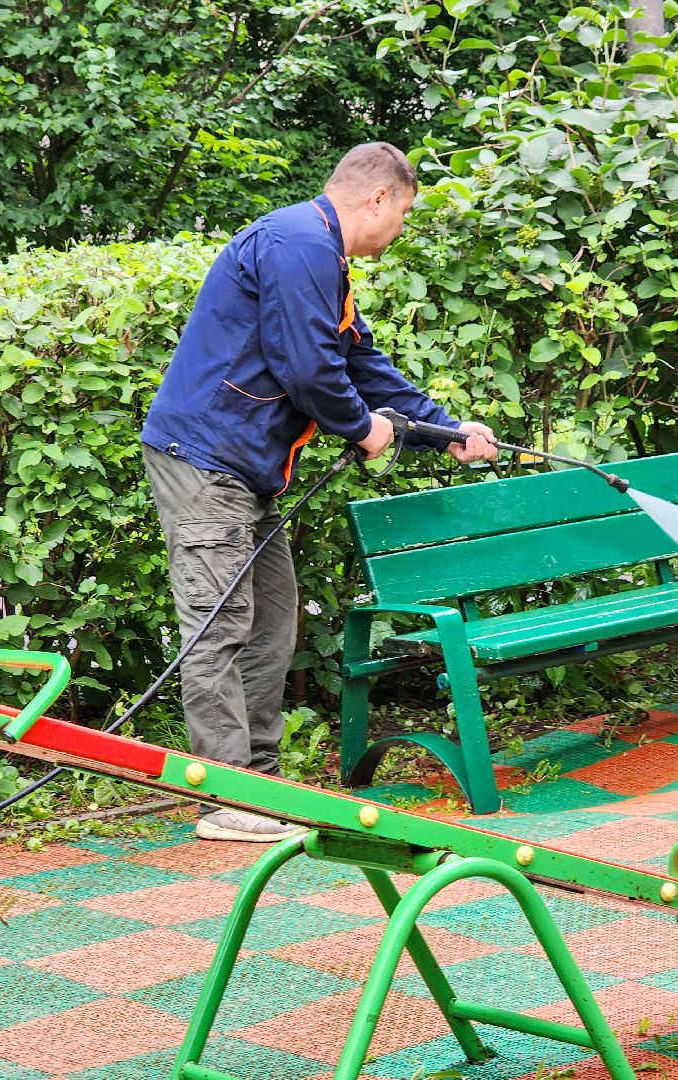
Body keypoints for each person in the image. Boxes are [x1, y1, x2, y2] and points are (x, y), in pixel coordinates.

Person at [141, 142, 498, 842]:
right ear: (378, 199)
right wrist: (362, 430)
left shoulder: (324, 261)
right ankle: (223, 799)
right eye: (402, 215)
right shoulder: (297, 242)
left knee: (270, 622)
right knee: (218, 627)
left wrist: (444, 429)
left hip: (247, 472)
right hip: (204, 460)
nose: (398, 231)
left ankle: (259, 783)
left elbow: (359, 362)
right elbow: (307, 368)